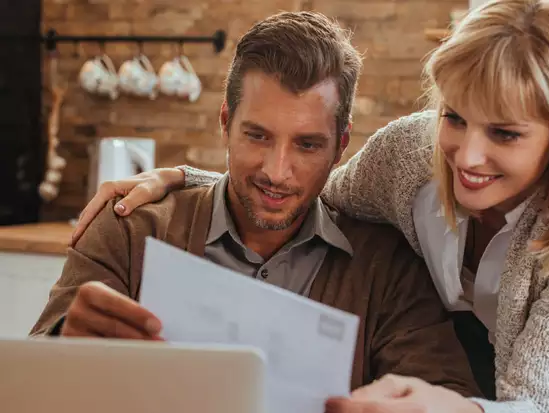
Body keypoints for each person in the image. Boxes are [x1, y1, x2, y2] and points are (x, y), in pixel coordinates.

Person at [71, 0, 549, 412]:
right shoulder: (412, 151)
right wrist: (187, 180)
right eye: (454, 117)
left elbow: (542, 404)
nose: (466, 156)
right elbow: (307, 188)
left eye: (505, 135)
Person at [30, 11, 482, 401]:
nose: (277, 171)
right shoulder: (129, 228)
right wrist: (64, 347)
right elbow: (29, 385)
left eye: (307, 145)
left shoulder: (387, 267)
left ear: (340, 147)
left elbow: (447, 397)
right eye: (257, 135)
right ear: (226, 122)